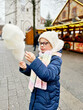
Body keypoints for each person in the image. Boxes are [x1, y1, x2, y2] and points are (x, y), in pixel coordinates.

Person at [19, 31, 64, 110]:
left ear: (52, 43)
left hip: (47, 99)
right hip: (37, 94)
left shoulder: (56, 59)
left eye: (45, 43)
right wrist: (25, 68)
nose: (41, 46)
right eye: (40, 43)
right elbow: (36, 71)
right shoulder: (41, 56)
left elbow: (48, 75)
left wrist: (34, 61)